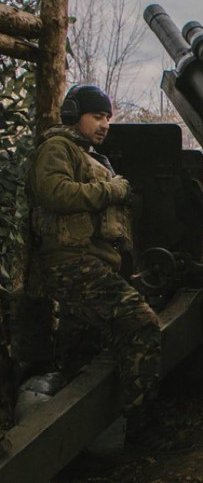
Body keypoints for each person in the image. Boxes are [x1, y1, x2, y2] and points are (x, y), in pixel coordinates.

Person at [26, 84, 190, 452]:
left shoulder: (85, 154)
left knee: (81, 351)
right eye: (97, 116)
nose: (104, 125)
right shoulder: (57, 148)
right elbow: (54, 192)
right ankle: (143, 428)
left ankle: (76, 444)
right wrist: (113, 190)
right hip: (73, 263)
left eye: (108, 118)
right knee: (142, 324)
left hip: (88, 263)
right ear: (74, 115)